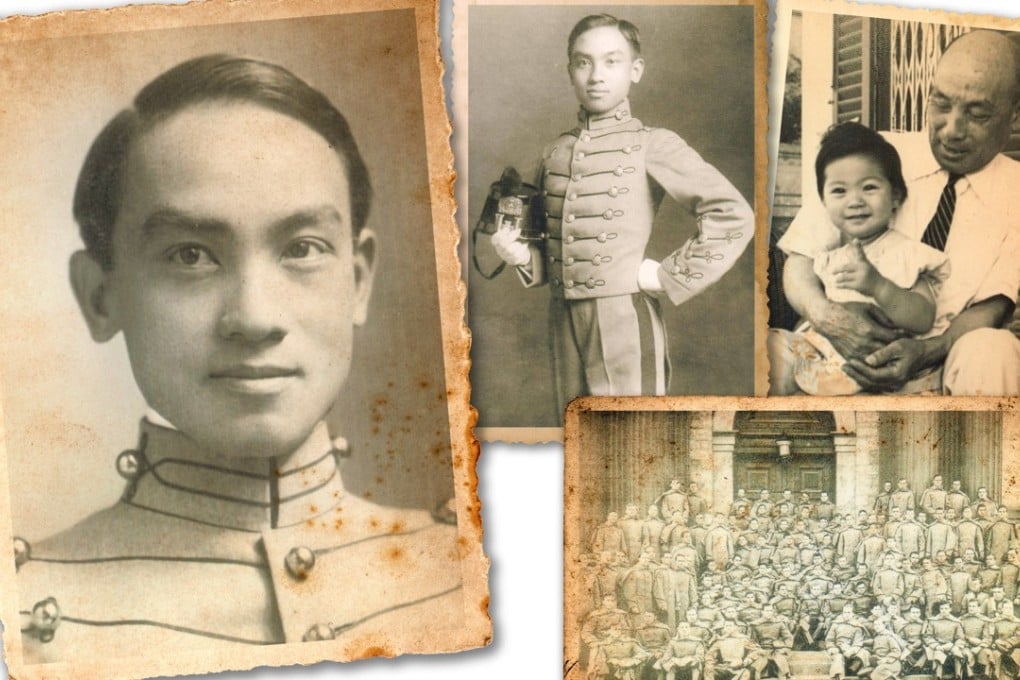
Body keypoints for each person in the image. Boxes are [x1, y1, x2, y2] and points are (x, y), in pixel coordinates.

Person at [13, 55, 465, 662]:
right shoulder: (23, 614)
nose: (254, 319)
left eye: (302, 248)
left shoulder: (468, 574)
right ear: (101, 296)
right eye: (190, 256)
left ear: (357, 281)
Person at [490, 13, 753, 413]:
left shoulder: (653, 144)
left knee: (632, 436)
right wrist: (523, 257)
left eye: (611, 61)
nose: (596, 75)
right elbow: (555, 245)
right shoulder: (555, 151)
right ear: (570, 71)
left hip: (623, 319)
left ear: (636, 70)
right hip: (562, 318)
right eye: (583, 62)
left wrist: (668, 275)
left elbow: (733, 214)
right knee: (577, 438)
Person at [771, 30, 1020, 395]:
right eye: (941, 103)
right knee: (760, 355)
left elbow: (992, 307)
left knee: (993, 350)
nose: (952, 130)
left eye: (977, 113)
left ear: (1014, 118)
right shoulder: (872, 155)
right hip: (833, 345)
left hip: (940, 363)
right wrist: (828, 317)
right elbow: (799, 261)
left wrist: (927, 351)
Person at [769, 122, 949, 395]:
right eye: (839, 191)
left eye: (869, 187)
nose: (855, 201)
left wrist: (879, 286)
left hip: (874, 370)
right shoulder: (827, 257)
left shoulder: (906, 253)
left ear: (896, 196)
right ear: (824, 202)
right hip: (822, 357)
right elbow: (808, 299)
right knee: (763, 350)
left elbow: (923, 317)